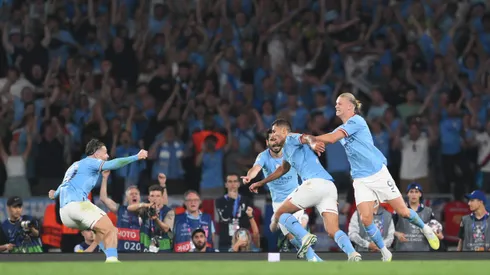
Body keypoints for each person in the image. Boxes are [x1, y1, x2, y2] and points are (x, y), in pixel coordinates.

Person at [314, 93, 440, 261]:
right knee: (366, 219)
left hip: (377, 173)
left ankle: (425, 229)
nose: (336, 106)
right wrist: (309, 141)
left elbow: (330, 138)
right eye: (336, 103)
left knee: (403, 211)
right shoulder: (341, 128)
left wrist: (305, 139)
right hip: (359, 179)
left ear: (350, 107)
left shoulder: (357, 121)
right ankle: (385, 251)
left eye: (339, 103)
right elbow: (328, 138)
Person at [247, 119, 361, 261]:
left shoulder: (290, 138)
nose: (273, 134)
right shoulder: (288, 151)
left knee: (280, 214)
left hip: (313, 184)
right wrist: (260, 182)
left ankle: (305, 236)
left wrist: (312, 142)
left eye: (275, 131)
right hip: (329, 187)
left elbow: (306, 137)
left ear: (284, 131)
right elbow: (282, 169)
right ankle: (352, 254)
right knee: (333, 230)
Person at [48, 139, 148, 263]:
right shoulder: (91, 162)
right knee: (111, 229)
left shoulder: (75, 165)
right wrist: (136, 157)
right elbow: (114, 164)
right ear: (96, 153)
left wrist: (54, 194)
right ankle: (112, 261)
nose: (107, 156)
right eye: (105, 153)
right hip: (78, 206)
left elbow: (64, 185)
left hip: (65, 214)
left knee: (101, 230)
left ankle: (106, 255)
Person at [242, 129, 322, 261]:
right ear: (267, 142)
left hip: (295, 197)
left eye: (277, 139)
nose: (275, 142)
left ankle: (304, 232)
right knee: (293, 240)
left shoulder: (290, 153)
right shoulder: (263, 156)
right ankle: (316, 260)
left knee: (295, 233)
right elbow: (255, 168)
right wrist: (249, 177)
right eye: (272, 140)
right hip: (277, 202)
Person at [99, 170, 142, 253]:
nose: (134, 195)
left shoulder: (146, 211)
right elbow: (103, 198)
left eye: (136, 194)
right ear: (126, 198)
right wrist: (104, 178)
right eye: (131, 194)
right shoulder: (120, 209)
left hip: (139, 252)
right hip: (121, 251)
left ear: (140, 197)